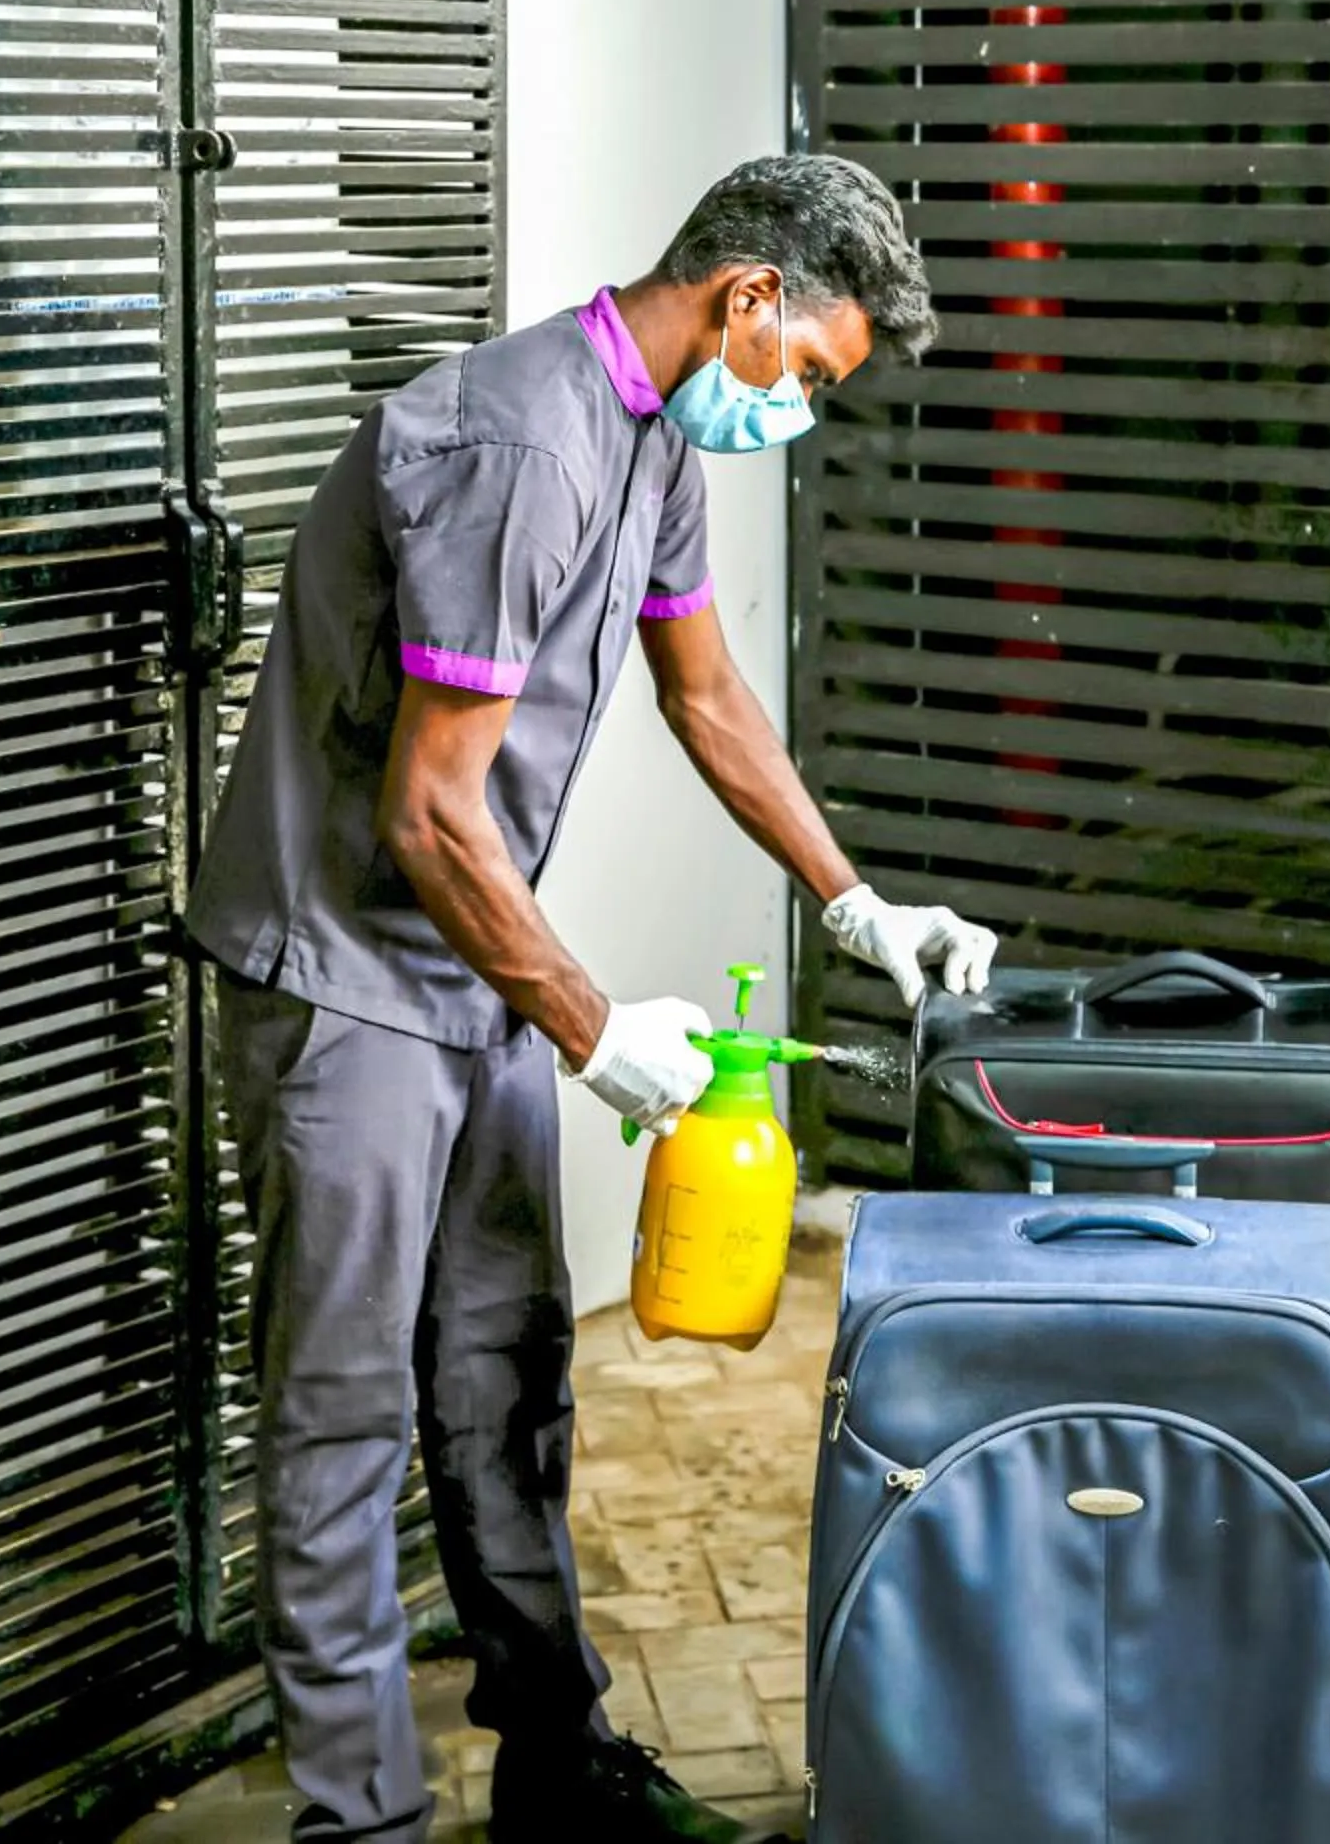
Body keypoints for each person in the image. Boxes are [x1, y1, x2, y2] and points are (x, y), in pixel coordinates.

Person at [184, 154, 997, 1843]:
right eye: (816, 376)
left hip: (465, 971)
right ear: (749, 299)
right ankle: (362, 1826)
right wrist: (592, 1024)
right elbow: (425, 812)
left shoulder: (652, 438)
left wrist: (856, 906)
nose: (807, 411)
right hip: (346, 980)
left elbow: (709, 695)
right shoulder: (524, 446)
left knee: (504, 1372)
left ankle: (556, 1769)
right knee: (341, 1425)